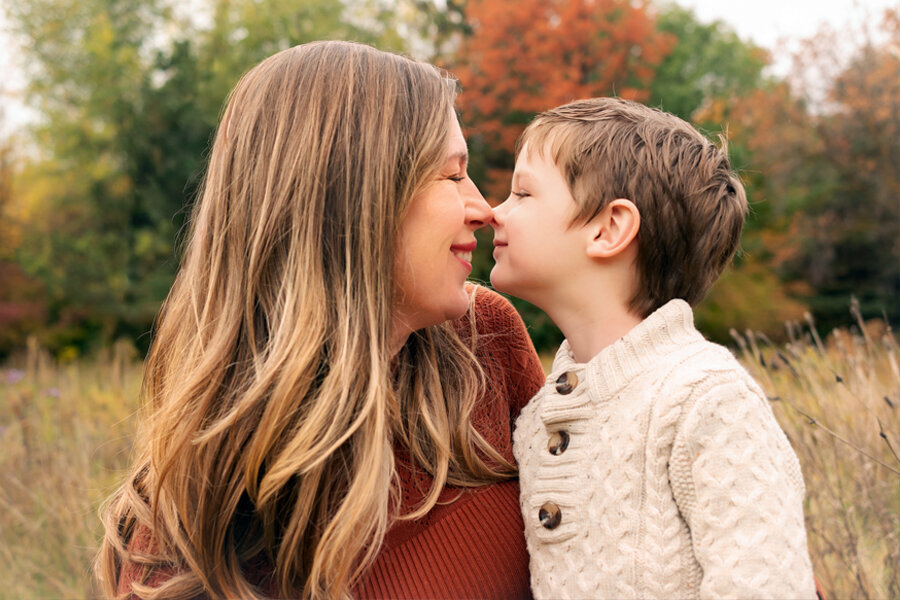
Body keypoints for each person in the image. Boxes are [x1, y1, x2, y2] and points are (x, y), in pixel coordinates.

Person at [95, 41, 546, 600]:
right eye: (452, 177)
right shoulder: (190, 526)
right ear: (358, 197)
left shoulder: (484, 342)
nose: (485, 209)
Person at [490, 97, 816, 599]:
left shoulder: (707, 400)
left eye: (522, 194)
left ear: (609, 228)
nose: (494, 212)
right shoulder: (538, 420)